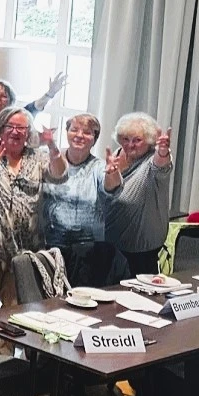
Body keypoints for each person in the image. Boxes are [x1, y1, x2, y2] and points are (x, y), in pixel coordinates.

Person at [0, 107, 68, 313]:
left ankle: (5, 347)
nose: (15, 132)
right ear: (0, 128)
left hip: (24, 250)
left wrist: (53, 147)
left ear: (28, 133)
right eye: (10, 126)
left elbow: (60, 175)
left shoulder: (37, 156)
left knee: (14, 314)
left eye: (22, 128)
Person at [42, 114, 124, 285]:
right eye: (74, 130)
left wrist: (112, 173)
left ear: (94, 139)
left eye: (87, 132)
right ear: (67, 133)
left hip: (87, 252)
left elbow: (111, 188)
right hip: (49, 246)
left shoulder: (99, 166)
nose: (79, 135)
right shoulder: (49, 159)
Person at [105, 113, 174, 276]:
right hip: (112, 246)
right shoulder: (115, 155)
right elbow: (109, 190)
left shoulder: (151, 161)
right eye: (125, 139)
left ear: (150, 141)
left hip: (142, 251)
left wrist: (163, 152)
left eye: (137, 140)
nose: (130, 145)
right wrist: (110, 175)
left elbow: (161, 166)